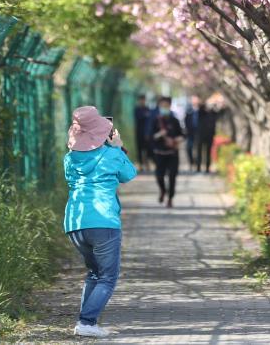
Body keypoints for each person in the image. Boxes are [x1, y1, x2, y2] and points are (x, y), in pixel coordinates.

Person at [63, 106, 137, 337]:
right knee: (107, 276)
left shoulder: (69, 158)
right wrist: (118, 148)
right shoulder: (111, 154)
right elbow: (130, 174)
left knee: (94, 273)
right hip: (103, 221)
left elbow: (71, 180)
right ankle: (86, 322)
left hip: (75, 222)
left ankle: (85, 321)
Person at [149, 96, 183, 207]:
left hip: (173, 153)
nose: (165, 108)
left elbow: (183, 135)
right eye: (162, 106)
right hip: (159, 153)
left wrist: (177, 139)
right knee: (159, 176)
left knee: (172, 176)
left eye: (167, 106)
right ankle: (163, 190)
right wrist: (159, 134)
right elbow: (150, 136)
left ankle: (170, 198)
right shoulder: (155, 121)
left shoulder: (175, 121)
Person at [195, 102, 217, 173]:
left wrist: (213, 106)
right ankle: (198, 167)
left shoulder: (212, 114)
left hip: (209, 136)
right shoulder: (201, 114)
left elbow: (216, 112)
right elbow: (200, 109)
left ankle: (207, 167)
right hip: (200, 136)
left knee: (208, 152)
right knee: (199, 152)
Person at [133, 95, 151, 171]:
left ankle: (147, 163)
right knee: (139, 148)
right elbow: (138, 118)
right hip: (139, 131)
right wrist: (144, 115)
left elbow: (149, 119)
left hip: (146, 132)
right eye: (141, 100)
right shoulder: (137, 109)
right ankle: (141, 164)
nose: (142, 101)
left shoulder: (147, 108)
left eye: (143, 100)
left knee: (147, 148)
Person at [184, 95, 201, 172]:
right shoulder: (188, 112)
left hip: (199, 134)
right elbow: (186, 122)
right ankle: (191, 163)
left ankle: (198, 165)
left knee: (198, 149)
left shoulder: (202, 111)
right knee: (189, 148)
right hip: (190, 134)